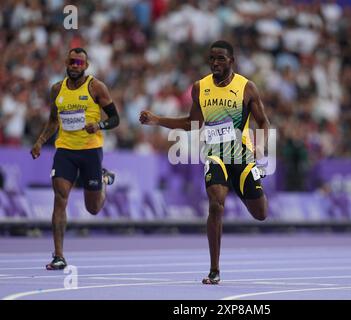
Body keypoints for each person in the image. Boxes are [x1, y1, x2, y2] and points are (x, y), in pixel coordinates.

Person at [140, 40, 270, 284]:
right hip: (215, 155)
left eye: (220, 58)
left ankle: (251, 185)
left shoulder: (247, 87)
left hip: (242, 156)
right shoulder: (200, 87)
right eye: (211, 58)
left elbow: (263, 121)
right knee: (215, 205)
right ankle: (214, 270)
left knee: (261, 213)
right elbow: (193, 123)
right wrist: (157, 120)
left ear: (231, 61)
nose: (215, 63)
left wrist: (261, 145)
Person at [31, 48, 120, 270]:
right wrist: (41, 141)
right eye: (72, 62)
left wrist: (98, 125)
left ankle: (103, 179)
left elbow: (115, 118)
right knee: (60, 198)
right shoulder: (56, 89)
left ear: (86, 66)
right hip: (65, 151)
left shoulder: (96, 87)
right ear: (66, 62)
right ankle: (59, 256)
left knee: (93, 208)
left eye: (79, 63)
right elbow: (53, 121)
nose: (75, 66)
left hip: (90, 151)